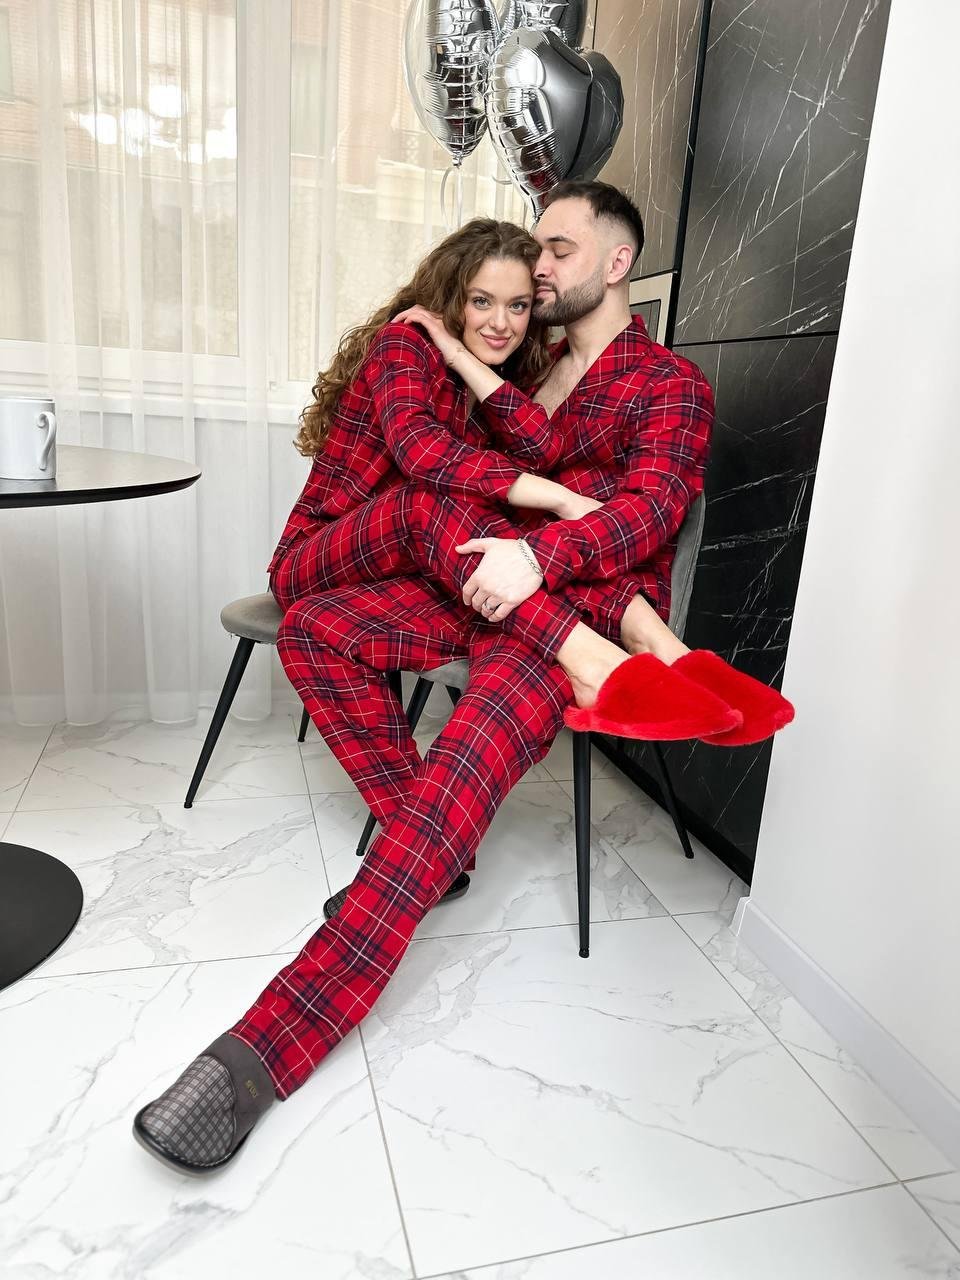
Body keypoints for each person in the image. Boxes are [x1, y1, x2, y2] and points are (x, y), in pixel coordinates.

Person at [132, 182, 793, 1175]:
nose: (539, 268)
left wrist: (544, 555)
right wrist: (468, 383)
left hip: (558, 612)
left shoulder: (669, 382)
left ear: (617, 262)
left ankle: (260, 1052)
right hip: (488, 586)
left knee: (449, 785)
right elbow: (454, 469)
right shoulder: (532, 369)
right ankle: (452, 839)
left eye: (557, 250)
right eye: (528, 260)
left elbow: (651, 513)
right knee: (315, 627)